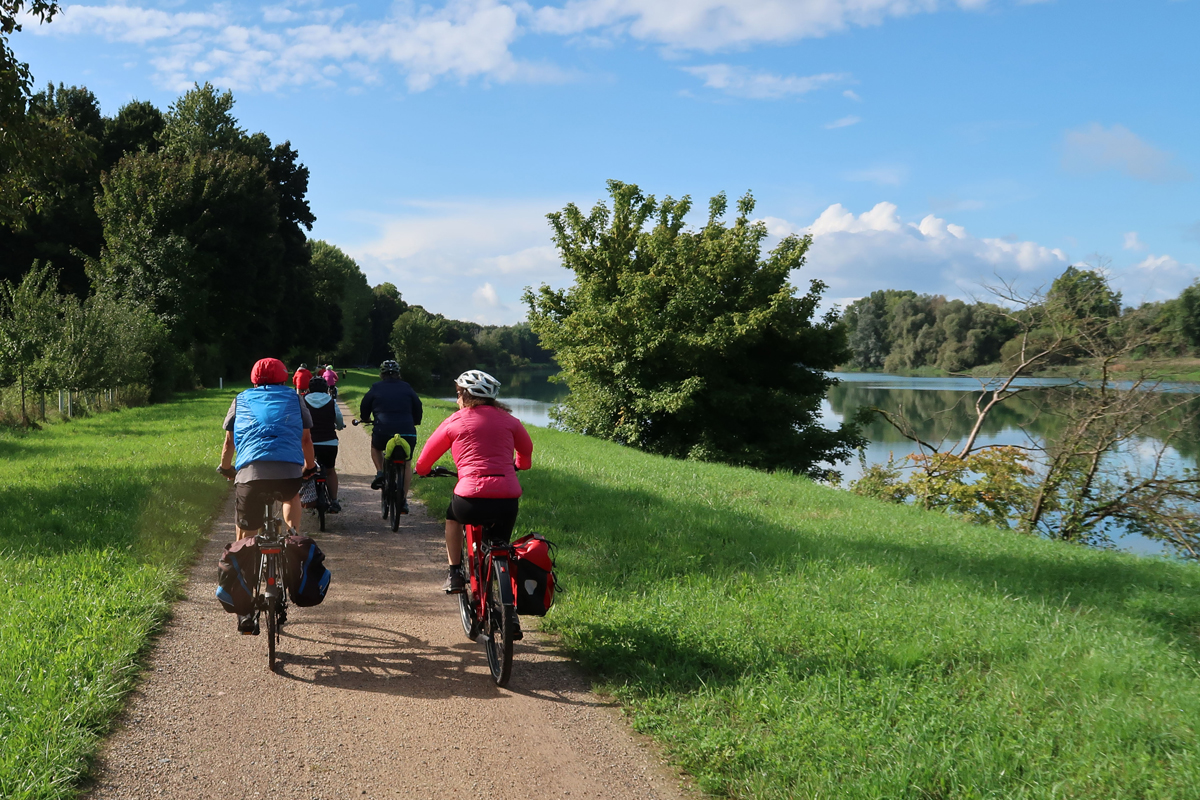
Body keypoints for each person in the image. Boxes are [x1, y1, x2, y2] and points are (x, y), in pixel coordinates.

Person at [413, 370, 533, 604]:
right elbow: (526, 453)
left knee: (452, 517)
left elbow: (425, 460)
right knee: (498, 545)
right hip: (507, 500)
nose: (457, 399)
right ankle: (503, 600)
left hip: (470, 499)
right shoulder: (510, 421)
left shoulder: (455, 421)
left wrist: (424, 471)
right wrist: (519, 465)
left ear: (466, 396)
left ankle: (455, 573)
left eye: (458, 394)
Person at [218, 357, 317, 633]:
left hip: (250, 473)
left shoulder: (241, 399)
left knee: (246, 540)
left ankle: (245, 613)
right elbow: (306, 439)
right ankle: (292, 534)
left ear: (253, 379)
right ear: (284, 378)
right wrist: (309, 467)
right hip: (288, 473)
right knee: (291, 496)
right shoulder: (295, 399)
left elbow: (228, 442)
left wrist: (226, 468)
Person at [360, 360, 423, 511]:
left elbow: (365, 404)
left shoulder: (376, 387)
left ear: (381, 374)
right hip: (407, 431)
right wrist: (416, 421)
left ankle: (380, 472)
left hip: (383, 430)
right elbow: (418, 405)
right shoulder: (407, 387)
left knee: (376, 447)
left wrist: (366, 417)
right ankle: (403, 500)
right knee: (406, 463)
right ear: (398, 374)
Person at [304, 375, 344, 513]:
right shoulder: (332, 402)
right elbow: (339, 419)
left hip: (308, 443)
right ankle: (334, 500)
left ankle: (305, 499)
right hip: (329, 443)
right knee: (331, 470)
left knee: (306, 470)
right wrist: (339, 426)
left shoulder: (302, 402)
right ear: (326, 388)